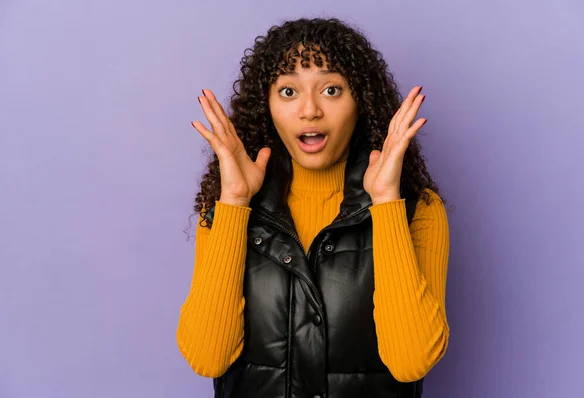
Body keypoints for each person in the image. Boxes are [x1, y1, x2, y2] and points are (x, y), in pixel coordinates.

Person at [177, 17, 450, 398]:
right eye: (288, 91)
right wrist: (235, 203)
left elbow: (411, 361)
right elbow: (209, 357)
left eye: (332, 90)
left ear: (361, 102)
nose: (309, 111)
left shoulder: (416, 209)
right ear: (266, 106)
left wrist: (386, 202)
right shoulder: (224, 207)